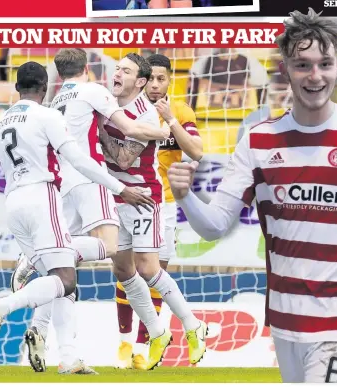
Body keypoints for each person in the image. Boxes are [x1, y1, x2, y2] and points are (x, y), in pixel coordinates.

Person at [167, 8, 337, 383]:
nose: (315, 76)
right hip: (285, 318)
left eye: (324, 64)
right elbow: (214, 227)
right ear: (286, 68)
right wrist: (184, 196)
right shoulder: (258, 140)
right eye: (303, 65)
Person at [0, 61, 155, 373]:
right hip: (42, 198)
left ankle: (69, 359)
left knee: (61, 281)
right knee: (72, 272)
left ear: (16, 88)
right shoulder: (48, 116)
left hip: (14, 205)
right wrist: (120, 188)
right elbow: (79, 160)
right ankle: (2, 305)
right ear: (45, 89)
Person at [21, 48, 168, 374]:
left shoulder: (55, 101)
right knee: (117, 255)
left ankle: (46, 335)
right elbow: (129, 130)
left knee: (61, 267)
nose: (116, 74)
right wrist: (162, 130)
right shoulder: (94, 92)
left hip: (60, 185)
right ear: (87, 67)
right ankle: (162, 331)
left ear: (57, 76)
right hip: (91, 181)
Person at [100, 53, 208, 370]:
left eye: (163, 79)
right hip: (118, 195)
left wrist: (170, 122)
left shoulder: (168, 112)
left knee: (150, 270)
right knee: (123, 271)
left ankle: (153, 340)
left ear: (168, 80)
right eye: (154, 78)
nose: (158, 85)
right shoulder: (118, 107)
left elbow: (198, 152)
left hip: (154, 199)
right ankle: (128, 341)